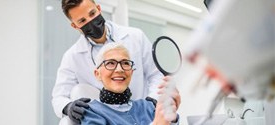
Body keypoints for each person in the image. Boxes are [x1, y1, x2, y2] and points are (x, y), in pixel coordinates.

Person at [52, 0, 181, 124]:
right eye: (82, 20)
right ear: (75, 26)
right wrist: (67, 107)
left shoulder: (135, 37)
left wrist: (152, 102)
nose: (118, 70)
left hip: (143, 114)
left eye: (92, 13)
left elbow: (155, 74)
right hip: (108, 118)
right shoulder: (72, 57)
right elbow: (59, 96)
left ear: (99, 8)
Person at [83, 42, 179, 124]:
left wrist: (171, 118)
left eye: (125, 63)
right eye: (110, 63)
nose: (119, 69)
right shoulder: (92, 113)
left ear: (131, 72)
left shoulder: (148, 107)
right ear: (97, 74)